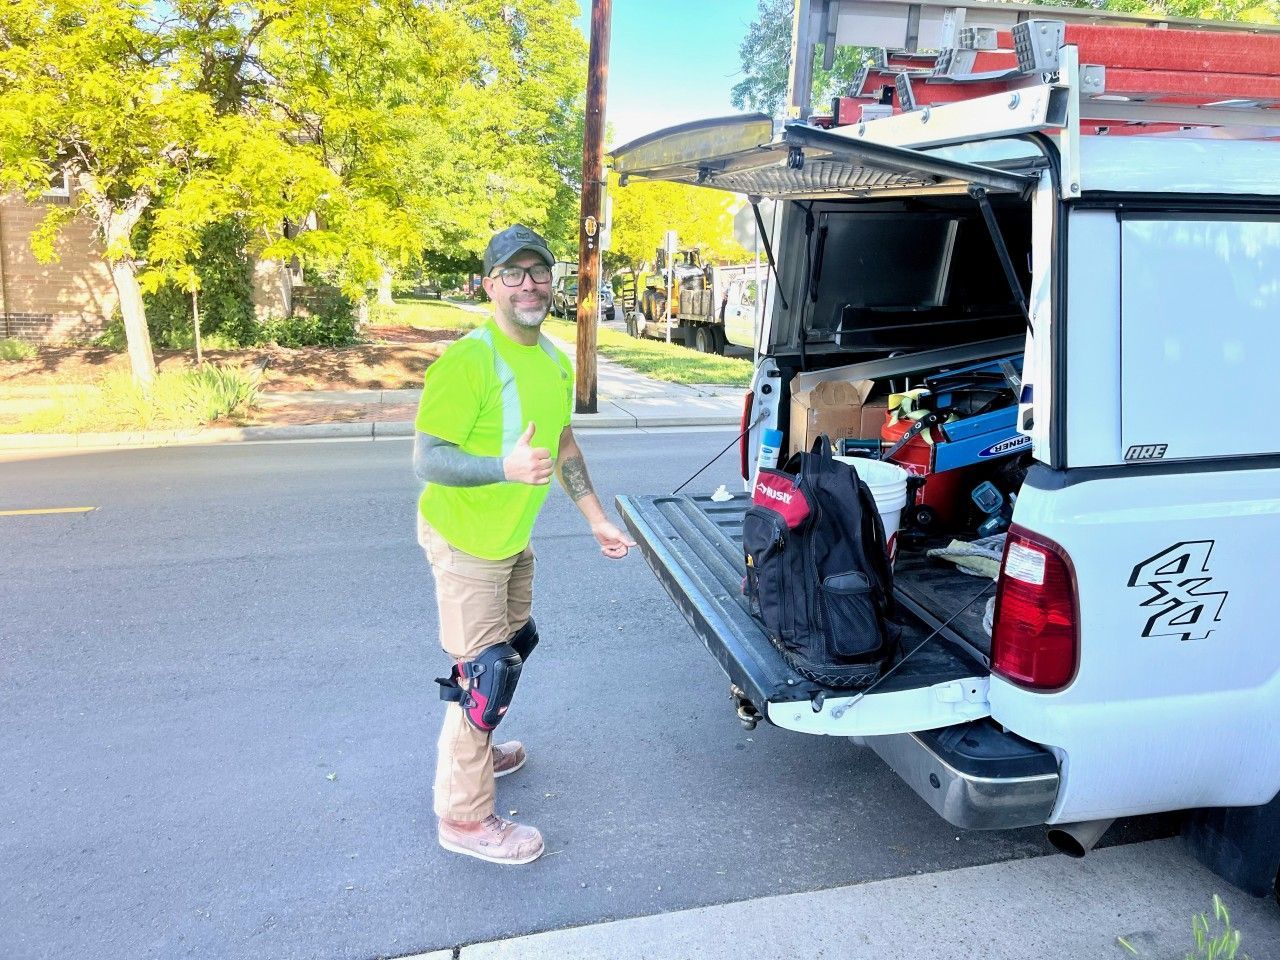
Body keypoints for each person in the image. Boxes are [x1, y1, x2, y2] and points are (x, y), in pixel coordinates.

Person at [413, 224, 636, 865]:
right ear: (490, 286)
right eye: (513, 274)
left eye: (538, 271)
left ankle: (482, 743)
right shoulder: (470, 361)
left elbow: (563, 445)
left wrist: (595, 516)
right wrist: (503, 469)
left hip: (511, 540)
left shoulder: (553, 361)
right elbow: (430, 459)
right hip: (466, 542)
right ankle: (464, 818)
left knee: (511, 651)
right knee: (481, 680)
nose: (529, 284)